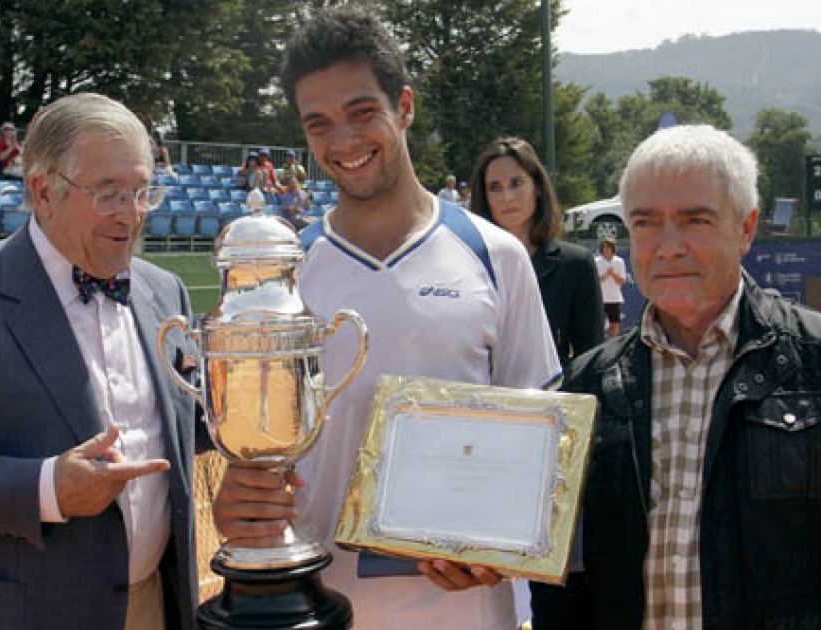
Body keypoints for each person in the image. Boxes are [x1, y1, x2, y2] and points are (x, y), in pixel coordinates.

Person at [215, 7, 562, 630]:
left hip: (466, 612)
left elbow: (539, 452)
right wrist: (244, 501)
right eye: (318, 124)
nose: (342, 142)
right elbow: (261, 455)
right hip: (315, 611)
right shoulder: (285, 280)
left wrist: (501, 550)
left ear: (404, 105)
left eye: (361, 112)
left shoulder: (495, 256)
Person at [530, 124, 821, 630]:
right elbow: (563, 580)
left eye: (694, 220)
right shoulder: (585, 386)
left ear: (746, 229)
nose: (668, 247)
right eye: (646, 223)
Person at [0, 92, 202, 630]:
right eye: (110, 193)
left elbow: (191, 428)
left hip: (154, 605)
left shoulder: (167, 292)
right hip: (16, 613)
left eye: (142, 191)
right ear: (43, 191)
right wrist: (44, 488)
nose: (133, 215)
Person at [471, 136, 604, 365]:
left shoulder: (575, 264)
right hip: (476, 397)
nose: (507, 197)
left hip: (553, 396)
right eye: (495, 187)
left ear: (538, 187)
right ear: (485, 197)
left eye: (517, 183)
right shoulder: (468, 264)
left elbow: (591, 358)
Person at [595, 235, 626, 336]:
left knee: (615, 324)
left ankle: (614, 346)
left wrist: (613, 274)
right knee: (599, 325)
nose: (606, 249)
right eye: (604, 247)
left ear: (612, 248)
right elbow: (595, 281)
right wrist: (606, 275)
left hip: (614, 298)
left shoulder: (619, 261)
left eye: (608, 247)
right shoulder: (596, 261)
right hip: (600, 298)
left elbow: (622, 281)